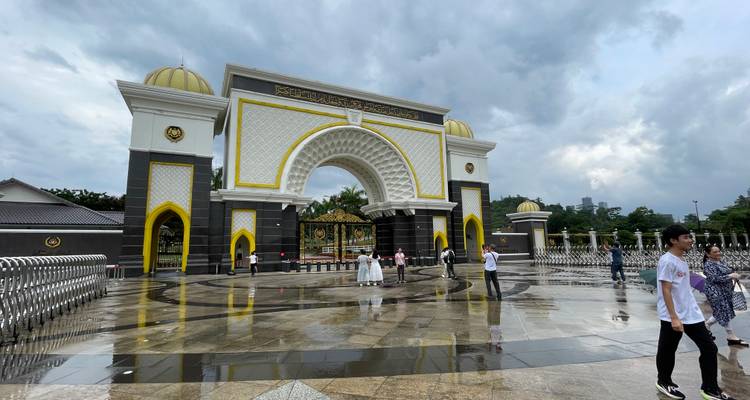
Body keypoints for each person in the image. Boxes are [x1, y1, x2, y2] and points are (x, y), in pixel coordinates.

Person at [655, 225, 735, 400]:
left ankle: (710, 388)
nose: (690, 240)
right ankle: (664, 381)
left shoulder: (681, 260)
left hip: (691, 314)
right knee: (668, 350)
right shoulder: (667, 260)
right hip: (672, 316)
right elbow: (666, 290)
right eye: (686, 237)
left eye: (690, 237)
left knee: (709, 348)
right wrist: (674, 318)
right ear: (673, 241)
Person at [703, 244, 748, 346]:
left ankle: (706, 325)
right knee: (724, 310)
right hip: (715, 291)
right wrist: (730, 276)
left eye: (718, 251)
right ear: (708, 254)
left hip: (725, 290)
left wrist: (734, 275)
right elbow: (714, 279)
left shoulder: (721, 261)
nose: (718, 253)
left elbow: (728, 271)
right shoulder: (708, 265)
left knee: (722, 310)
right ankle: (731, 335)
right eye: (715, 252)